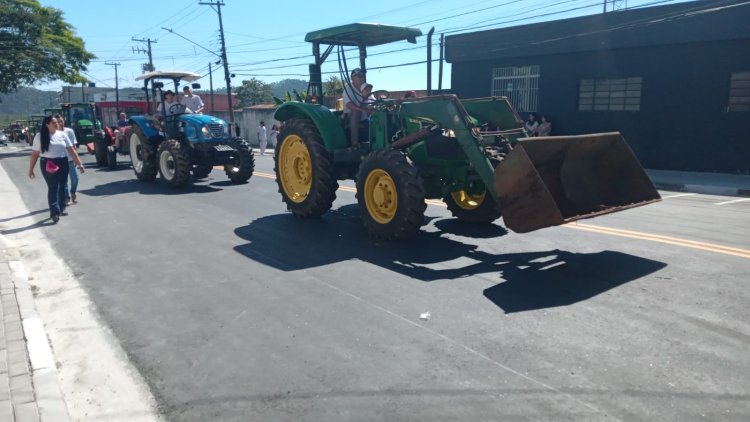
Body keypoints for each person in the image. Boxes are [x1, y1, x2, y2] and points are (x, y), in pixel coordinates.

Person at [28, 116, 85, 223]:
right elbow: (35, 154)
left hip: (62, 162)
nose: (56, 124)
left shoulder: (62, 135)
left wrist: (80, 164)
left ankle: (61, 208)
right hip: (48, 163)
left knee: (62, 185)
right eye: (53, 122)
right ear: (47, 125)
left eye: (57, 122)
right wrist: (31, 169)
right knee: (53, 187)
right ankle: (54, 212)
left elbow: (71, 150)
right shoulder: (39, 137)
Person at [342, 68, 373, 148]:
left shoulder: (366, 88)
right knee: (356, 111)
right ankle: (354, 142)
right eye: (359, 76)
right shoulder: (348, 89)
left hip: (364, 115)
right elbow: (349, 104)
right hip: (349, 115)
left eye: (362, 76)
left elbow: (372, 101)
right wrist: (363, 109)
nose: (362, 78)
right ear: (352, 78)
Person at [54, 115, 80, 205]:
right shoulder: (54, 134)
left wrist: (76, 159)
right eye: (57, 121)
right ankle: (66, 197)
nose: (60, 123)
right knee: (63, 181)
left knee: (75, 178)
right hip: (60, 160)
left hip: (70, 159)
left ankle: (73, 192)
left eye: (61, 120)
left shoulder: (69, 131)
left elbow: (74, 146)